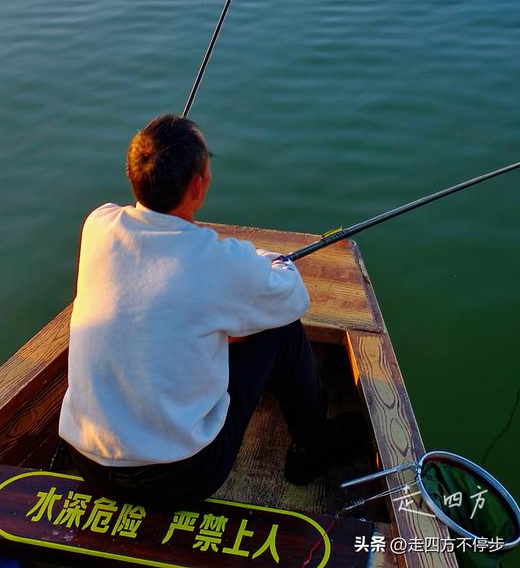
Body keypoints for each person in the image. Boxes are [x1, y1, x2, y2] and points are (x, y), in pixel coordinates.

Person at [59, 113, 361, 505]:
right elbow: (291, 297)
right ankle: (310, 449)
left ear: (133, 175)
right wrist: (270, 261)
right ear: (199, 186)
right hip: (180, 479)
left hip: (88, 463)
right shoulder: (217, 261)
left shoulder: (97, 225)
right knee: (282, 330)